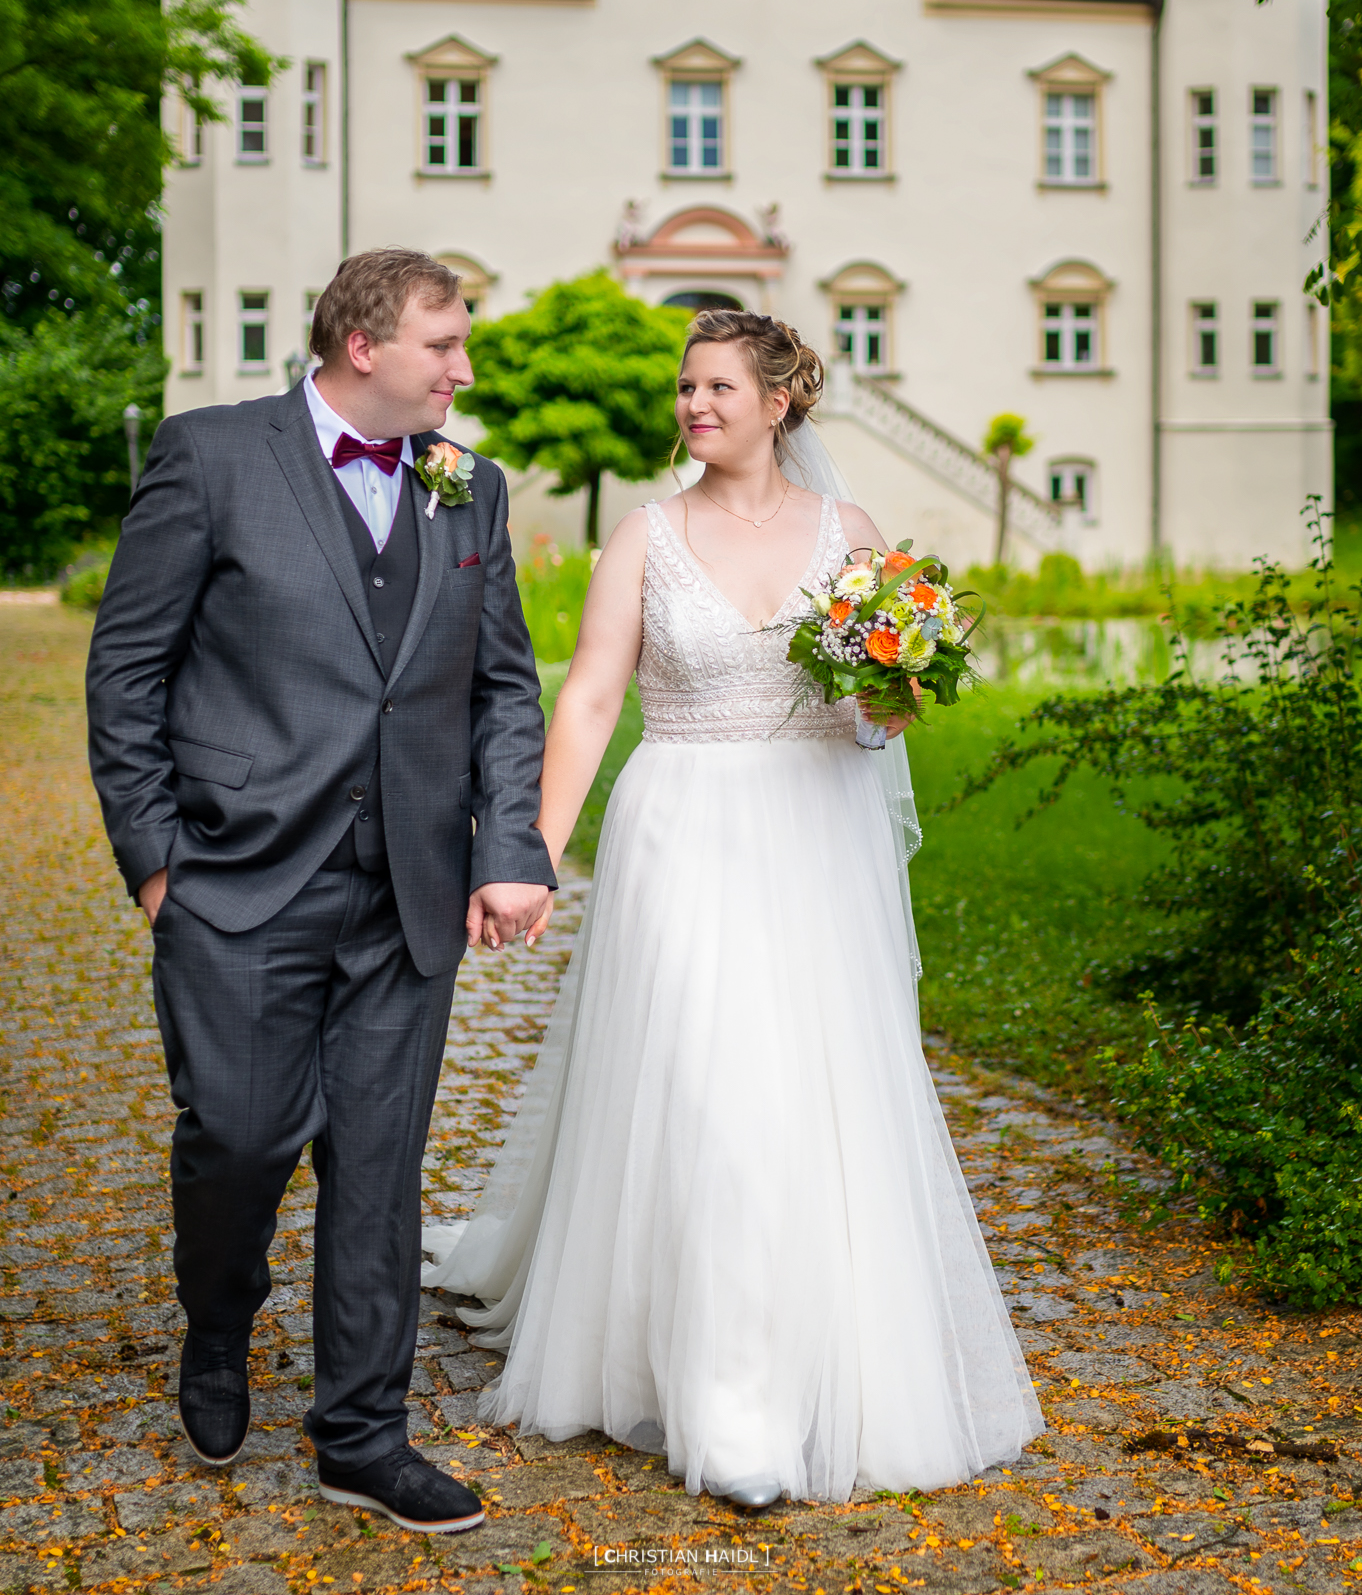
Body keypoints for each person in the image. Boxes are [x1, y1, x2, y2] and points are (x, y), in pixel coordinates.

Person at [422, 308, 1043, 1506]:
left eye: (718, 386)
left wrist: (893, 689)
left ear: (778, 402)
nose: (695, 405)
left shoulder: (850, 532)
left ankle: (821, 1364)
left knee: (813, 1091)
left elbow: (878, 715)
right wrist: (536, 853)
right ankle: (724, 1400)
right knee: (705, 1090)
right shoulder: (643, 536)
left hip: (818, 838)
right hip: (686, 830)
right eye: (685, 387)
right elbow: (594, 699)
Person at [86, 248, 556, 1535]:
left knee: (379, 1166)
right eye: (444, 344)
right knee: (240, 1136)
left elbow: (503, 684)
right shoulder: (211, 456)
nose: (464, 369)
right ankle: (219, 1322)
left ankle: (362, 1433)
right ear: (364, 345)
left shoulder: (472, 486)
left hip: (411, 890)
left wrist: (508, 840)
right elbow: (127, 671)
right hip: (235, 877)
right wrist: (155, 860)